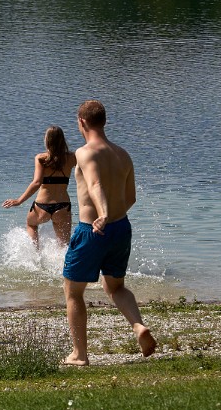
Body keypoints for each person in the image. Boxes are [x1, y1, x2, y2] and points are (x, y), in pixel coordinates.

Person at [61, 101, 156, 365]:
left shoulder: (85, 153)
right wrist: (112, 217)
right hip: (121, 228)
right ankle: (138, 326)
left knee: (73, 292)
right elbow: (131, 198)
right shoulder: (122, 154)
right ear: (104, 122)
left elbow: (94, 182)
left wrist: (102, 215)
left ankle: (79, 354)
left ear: (81, 122)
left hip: (91, 229)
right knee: (115, 287)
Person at [3, 126, 77, 247]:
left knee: (31, 225)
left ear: (47, 140)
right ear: (63, 140)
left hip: (42, 206)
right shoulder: (72, 158)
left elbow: (37, 182)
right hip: (63, 206)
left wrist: (18, 201)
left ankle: (36, 256)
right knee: (64, 246)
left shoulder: (41, 159)